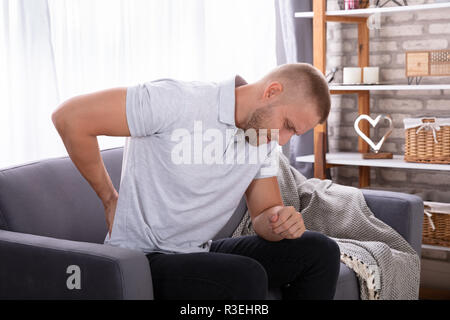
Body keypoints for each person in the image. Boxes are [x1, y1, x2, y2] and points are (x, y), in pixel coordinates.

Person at [52, 63, 341, 300]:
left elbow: (264, 215)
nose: (284, 139)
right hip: (142, 257)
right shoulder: (178, 100)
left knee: (320, 251)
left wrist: (281, 221)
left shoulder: (261, 137)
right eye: (288, 125)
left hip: (197, 251)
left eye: (295, 133)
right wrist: (109, 198)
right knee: (244, 276)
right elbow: (69, 118)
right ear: (272, 92)